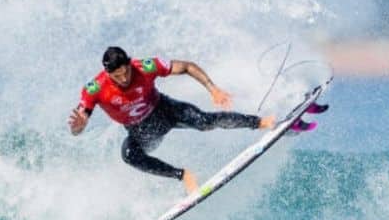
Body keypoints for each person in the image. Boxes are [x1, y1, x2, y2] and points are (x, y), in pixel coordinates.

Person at [67, 46, 274, 194]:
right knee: (129, 155)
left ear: (130, 64)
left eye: (126, 72)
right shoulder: (94, 89)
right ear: (107, 73)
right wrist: (79, 127)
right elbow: (79, 121)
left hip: (165, 110)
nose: (124, 79)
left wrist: (213, 89)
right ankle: (184, 175)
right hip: (141, 132)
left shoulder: (144, 67)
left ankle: (259, 122)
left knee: (204, 121)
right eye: (117, 76)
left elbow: (187, 67)